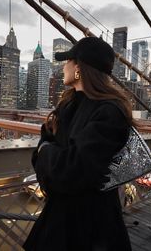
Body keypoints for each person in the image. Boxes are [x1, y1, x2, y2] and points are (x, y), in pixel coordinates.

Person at [23, 37, 133, 251]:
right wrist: (50, 153)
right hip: (59, 217)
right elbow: (47, 154)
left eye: (67, 61)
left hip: (92, 228)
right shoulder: (67, 105)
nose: (63, 66)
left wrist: (46, 150)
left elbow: (72, 170)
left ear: (79, 68)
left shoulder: (110, 112)